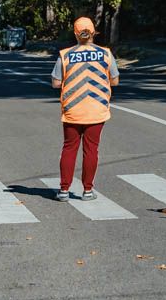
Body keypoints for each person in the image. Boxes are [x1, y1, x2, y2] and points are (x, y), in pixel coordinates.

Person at [51, 17, 119, 201]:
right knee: (91, 150)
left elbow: (56, 83)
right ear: (93, 32)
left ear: (75, 33)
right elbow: (115, 80)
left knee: (69, 148)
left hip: (73, 110)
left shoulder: (65, 55)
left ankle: (64, 190)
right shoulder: (105, 54)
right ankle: (87, 190)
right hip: (97, 110)